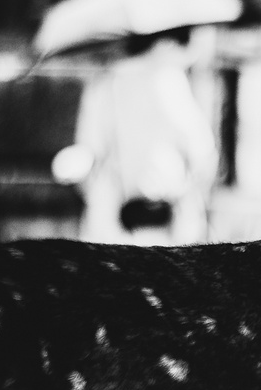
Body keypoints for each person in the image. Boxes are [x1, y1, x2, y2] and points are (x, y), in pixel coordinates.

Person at [54, 29, 220, 245]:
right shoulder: (170, 81)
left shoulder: (105, 85)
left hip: (113, 222)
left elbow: (90, 149)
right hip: (167, 219)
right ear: (163, 42)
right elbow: (201, 153)